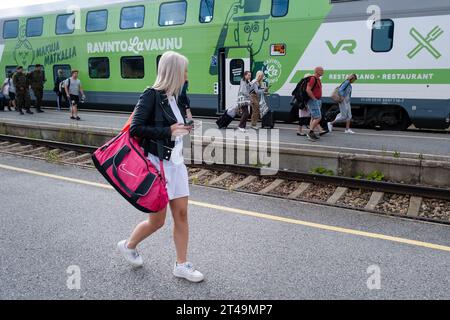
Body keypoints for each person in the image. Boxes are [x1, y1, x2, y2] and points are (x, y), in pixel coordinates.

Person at [117, 51, 204, 283]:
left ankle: (181, 265)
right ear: (173, 71)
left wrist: (187, 127)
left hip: (176, 164)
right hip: (157, 166)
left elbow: (182, 125)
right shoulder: (151, 95)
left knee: (182, 214)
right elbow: (135, 128)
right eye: (184, 70)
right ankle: (129, 245)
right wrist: (168, 131)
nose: (187, 75)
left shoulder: (180, 97)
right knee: (157, 221)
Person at [305, 66, 324, 141]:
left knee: (313, 117)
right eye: (321, 70)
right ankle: (310, 133)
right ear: (316, 71)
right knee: (318, 117)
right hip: (313, 100)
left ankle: (312, 133)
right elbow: (308, 89)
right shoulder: (313, 78)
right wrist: (314, 98)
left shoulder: (318, 79)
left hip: (317, 100)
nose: (323, 72)